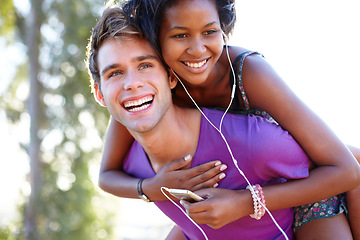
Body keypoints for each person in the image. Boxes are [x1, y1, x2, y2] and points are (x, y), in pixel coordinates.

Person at [87, 4, 360, 240]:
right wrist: (151, 189)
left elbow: (342, 167)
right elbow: (106, 175)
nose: (196, 50)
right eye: (180, 35)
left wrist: (245, 202)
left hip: (299, 178)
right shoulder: (141, 100)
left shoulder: (248, 73)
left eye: (209, 31)